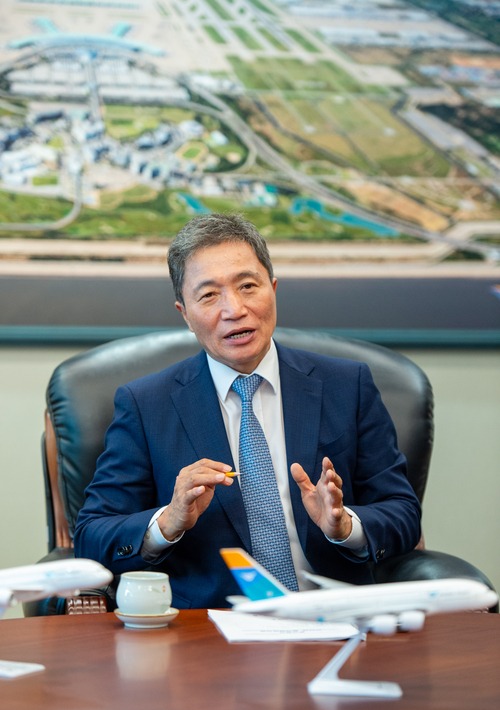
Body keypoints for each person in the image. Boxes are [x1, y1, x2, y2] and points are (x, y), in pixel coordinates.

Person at [74, 213, 421, 608]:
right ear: (185, 314)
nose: (234, 309)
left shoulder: (347, 385)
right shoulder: (146, 405)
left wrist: (345, 526)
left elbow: (402, 513)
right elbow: (92, 536)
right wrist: (168, 521)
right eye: (209, 295)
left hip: (333, 616)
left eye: (247, 286)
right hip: (207, 629)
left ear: (273, 289)